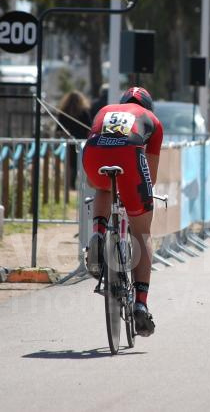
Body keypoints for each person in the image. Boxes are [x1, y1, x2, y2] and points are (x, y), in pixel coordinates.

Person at [82, 86, 163, 337]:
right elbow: (152, 176)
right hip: (129, 154)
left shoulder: (104, 110)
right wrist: (136, 199)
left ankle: (97, 232)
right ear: (147, 107)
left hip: (94, 154)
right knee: (142, 233)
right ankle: (140, 302)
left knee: (101, 186)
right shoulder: (153, 121)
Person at [56, 91, 92, 190]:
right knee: (80, 163)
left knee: (70, 164)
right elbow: (89, 127)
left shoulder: (63, 112)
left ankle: (71, 184)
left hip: (69, 141)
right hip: (81, 141)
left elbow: (58, 130)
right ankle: (79, 184)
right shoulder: (83, 112)